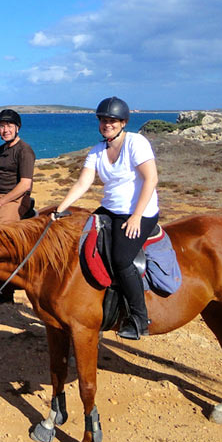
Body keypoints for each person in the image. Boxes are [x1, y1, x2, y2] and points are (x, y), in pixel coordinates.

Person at [53, 96, 159, 340]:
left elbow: (151, 179)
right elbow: (83, 183)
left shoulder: (136, 143)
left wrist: (136, 216)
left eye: (112, 120)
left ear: (123, 122)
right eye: (103, 120)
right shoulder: (97, 151)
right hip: (110, 209)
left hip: (140, 212)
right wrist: (61, 208)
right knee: (81, 240)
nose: (107, 124)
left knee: (122, 259)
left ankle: (139, 318)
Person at [0, 109, 36, 225]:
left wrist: (0, 202)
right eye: (2, 126)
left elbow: (25, 184)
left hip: (16, 200)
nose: (6, 130)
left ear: (17, 128)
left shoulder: (24, 151)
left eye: (10, 126)